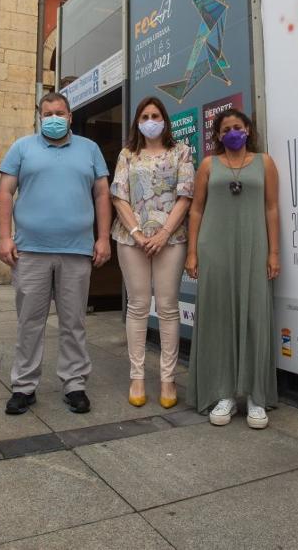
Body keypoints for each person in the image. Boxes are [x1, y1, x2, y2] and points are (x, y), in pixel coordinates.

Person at [0, 92, 110, 415]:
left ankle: (74, 383)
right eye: (47, 113)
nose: (54, 118)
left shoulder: (90, 149)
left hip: (76, 250)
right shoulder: (22, 147)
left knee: (74, 322)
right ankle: (23, 386)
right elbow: (5, 192)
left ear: (71, 116)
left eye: (59, 112)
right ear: (39, 116)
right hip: (30, 251)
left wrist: (103, 238)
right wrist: (5, 238)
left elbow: (102, 194)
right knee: (29, 322)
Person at [185, 108, 280, 429]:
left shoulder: (264, 163)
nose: (232, 133)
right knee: (219, 318)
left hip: (254, 248)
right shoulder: (208, 165)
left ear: (248, 129)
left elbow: (271, 207)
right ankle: (223, 393)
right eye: (226, 129)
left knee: (256, 317)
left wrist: (274, 252)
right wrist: (193, 253)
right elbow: (196, 210)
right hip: (215, 249)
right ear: (218, 135)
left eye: (237, 127)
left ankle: (255, 396)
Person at [110, 96, 192, 408]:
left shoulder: (181, 151)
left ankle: (168, 380)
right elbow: (119, 197)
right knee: (138, 306)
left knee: (169, 307)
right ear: (137, 122)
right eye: (145, 115)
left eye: (156, 115)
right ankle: (137, 376)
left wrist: (164, 233)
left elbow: (185, 196)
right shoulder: (127, 154)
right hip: (132, 240)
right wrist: (136, 232)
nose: (150, 120)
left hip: (171, 239)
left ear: (165, 119)